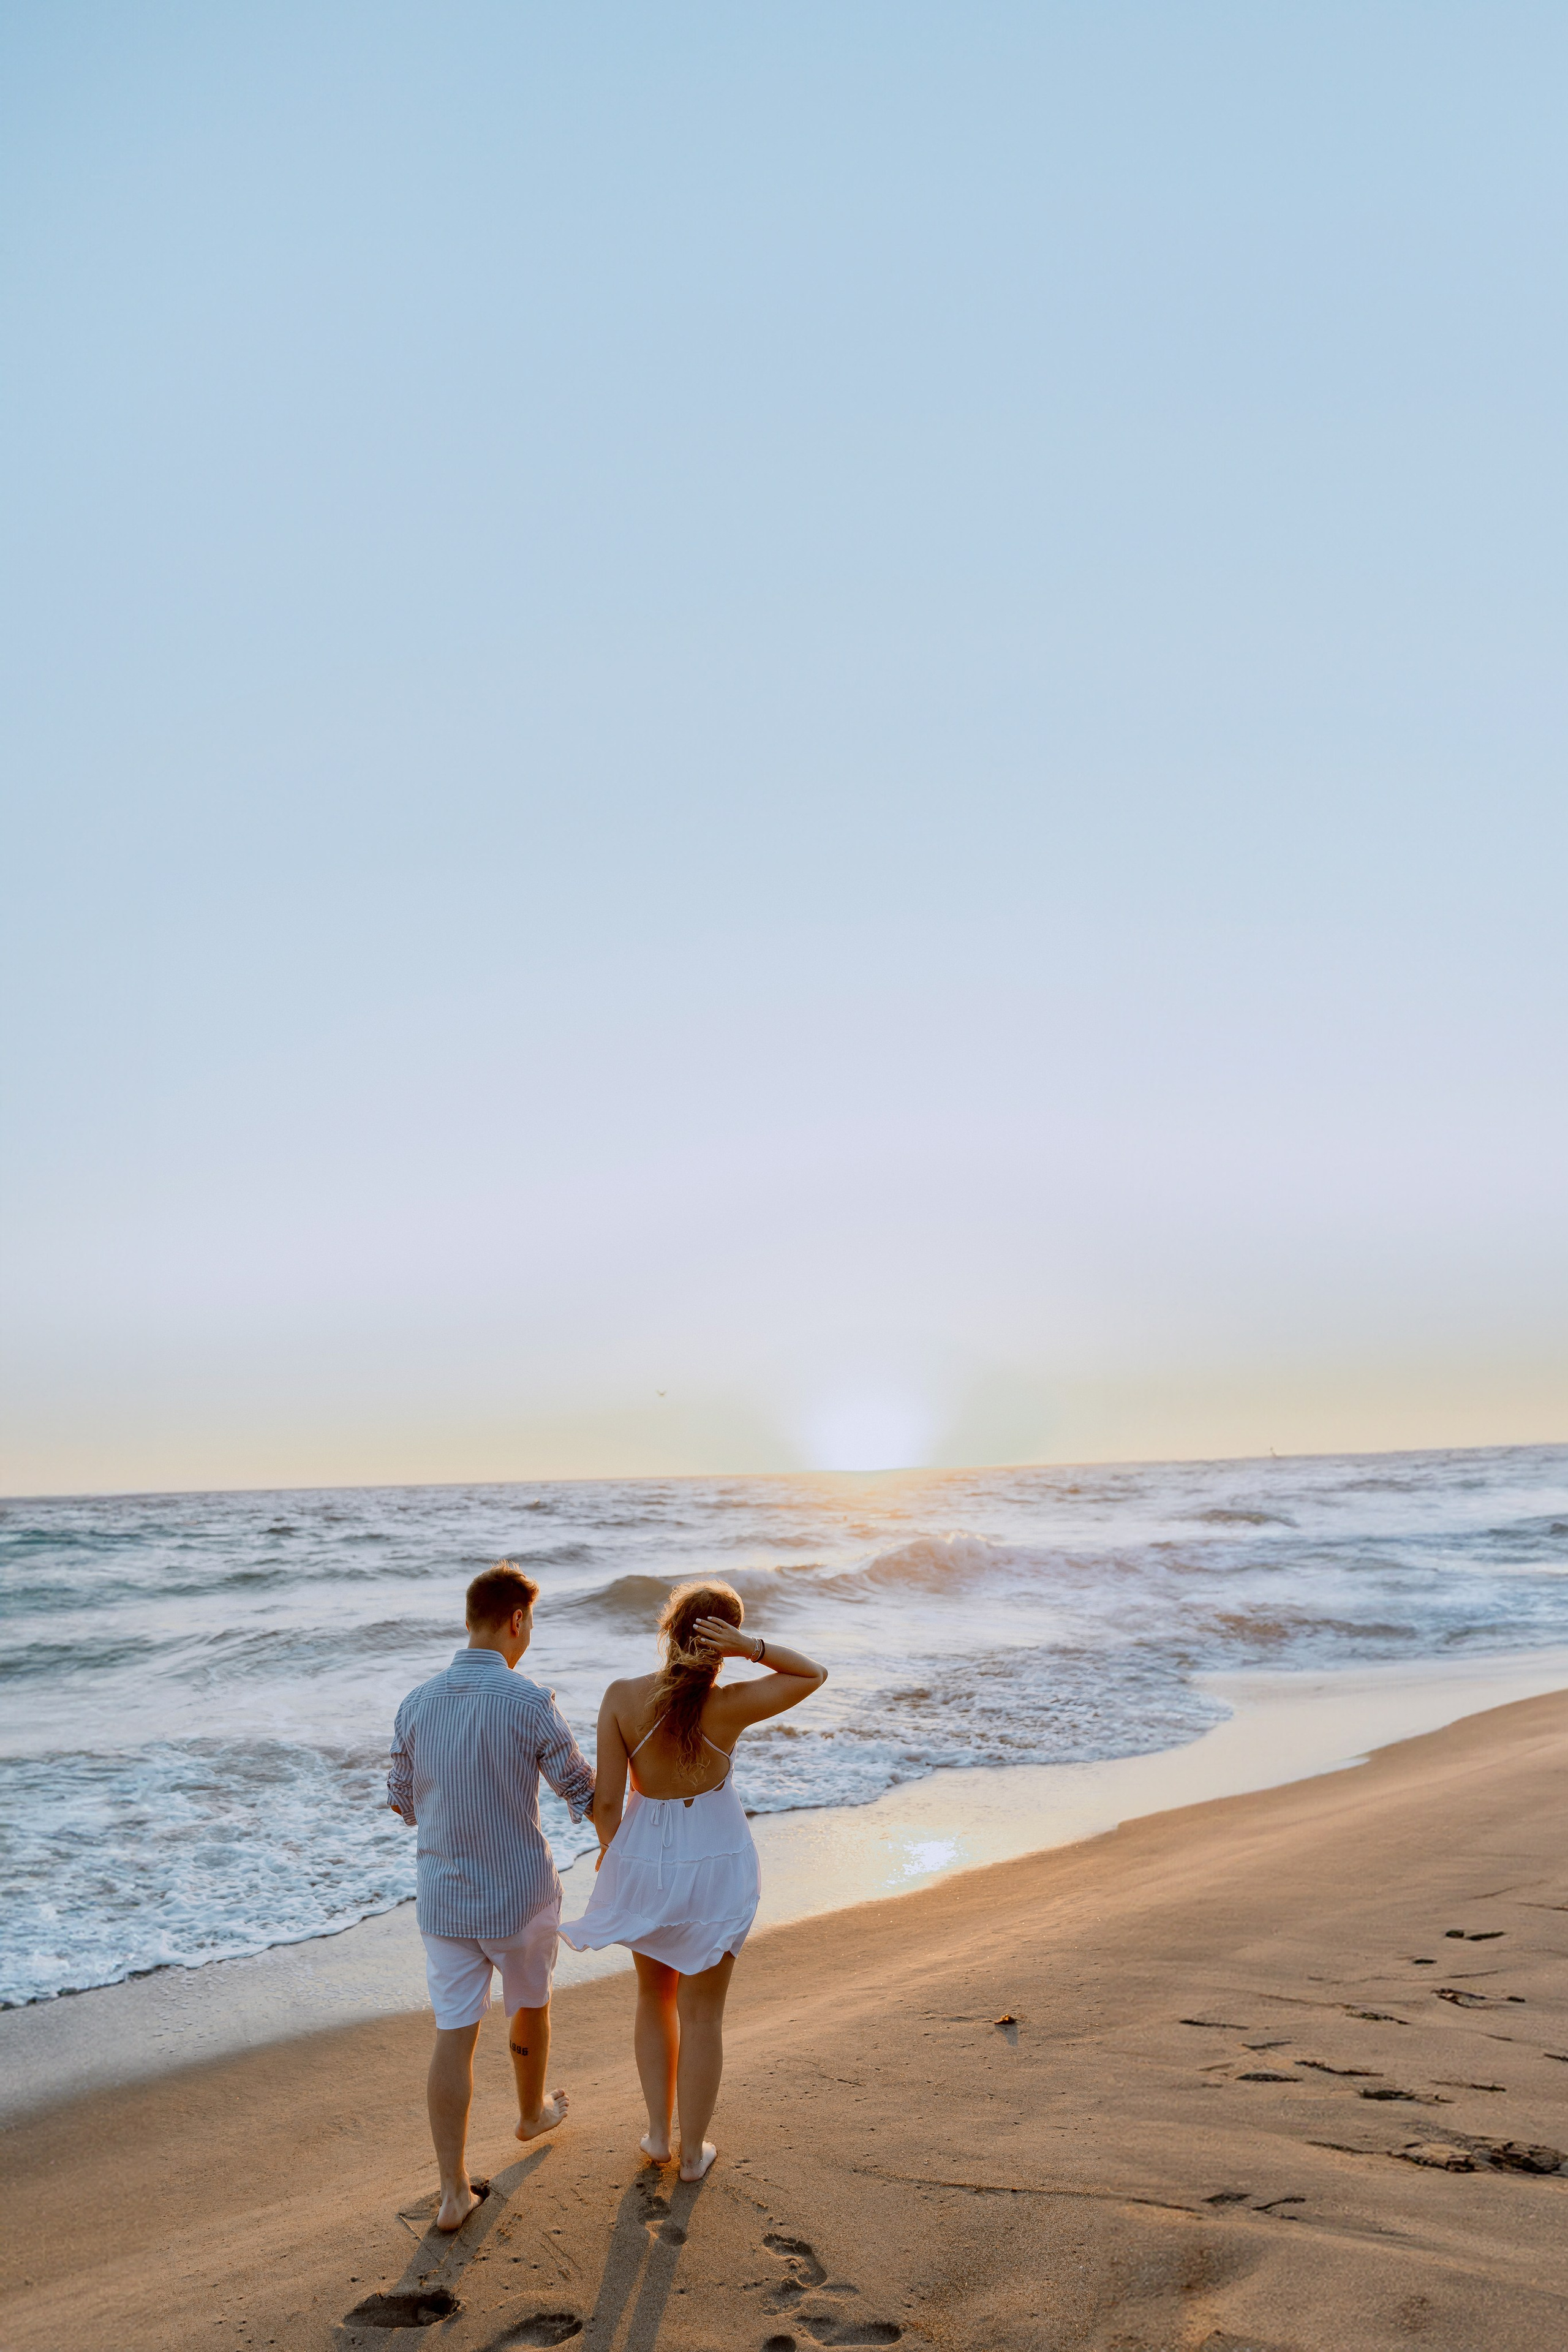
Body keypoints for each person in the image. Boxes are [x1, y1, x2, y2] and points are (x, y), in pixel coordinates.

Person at [559, 1579, 826, 2182]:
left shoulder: (621, 1697)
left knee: (654, 1996)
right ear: (722, 1645)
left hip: (645, 1861)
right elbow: (813, 1675)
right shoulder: (730, 1705)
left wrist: (613, 1856)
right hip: (718, 1863)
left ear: (667, 1629)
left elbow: (605, 1803)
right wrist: (752, 1647)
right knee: (702, 2016)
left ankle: (657, 2134)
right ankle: (693, 2152)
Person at [387, 1562, 595, 2231]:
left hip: (444, 1902)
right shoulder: (530, 1700)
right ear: (517, 1620)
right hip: (519, 1897)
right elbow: (582, 1791)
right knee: (528, 2006)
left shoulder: (416, 1703)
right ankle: (532, 2113)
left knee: (454, 2034)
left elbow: (401, 1802)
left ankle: (452, 2193)